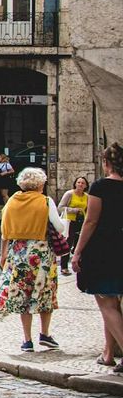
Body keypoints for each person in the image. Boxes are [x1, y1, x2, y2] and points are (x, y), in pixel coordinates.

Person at [0, 167, 66, 353]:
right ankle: (45, 334)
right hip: (41, 254)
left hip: (18, 253)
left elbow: (4, 231)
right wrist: (65, 222)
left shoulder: (12, 201)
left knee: (23, 294)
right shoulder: (46, 201)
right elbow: (59, 227)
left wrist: (3, 255)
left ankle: (27, 340)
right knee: (45, 292)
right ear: (40, 184)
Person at [72, 143, 123, 374]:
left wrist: (78, 251)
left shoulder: (100, 186)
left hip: (105, 250)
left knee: (107, 304)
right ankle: (108, 354)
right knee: (112, 305)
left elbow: (91, 221)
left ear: (106, 163)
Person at [57, 176, 89, 276]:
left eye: (83, 183)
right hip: (70, 222)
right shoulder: (69, 194)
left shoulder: (87, 196)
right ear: (75, 184)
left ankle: (79, 265)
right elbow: (60, 208)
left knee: (80, 244)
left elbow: (88, 209)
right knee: (68, 243)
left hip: (81, 222)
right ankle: (64, 267)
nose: (80, 184)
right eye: (78, 182)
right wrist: (74, 210)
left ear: (86, 185)